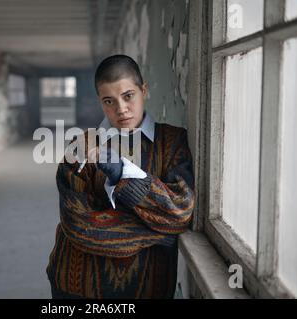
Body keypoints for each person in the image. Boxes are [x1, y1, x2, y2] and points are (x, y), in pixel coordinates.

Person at [46, 55, 195, 299]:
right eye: (109, 101)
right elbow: (79, 226)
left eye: (128, 96)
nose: (121, 109)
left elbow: (179, 211)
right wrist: (160, 233)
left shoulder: (172, 141)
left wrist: (121, 172)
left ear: (143, 90)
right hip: (77, 286)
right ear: (100, 102)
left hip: (148, 288)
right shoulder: (81, 145)